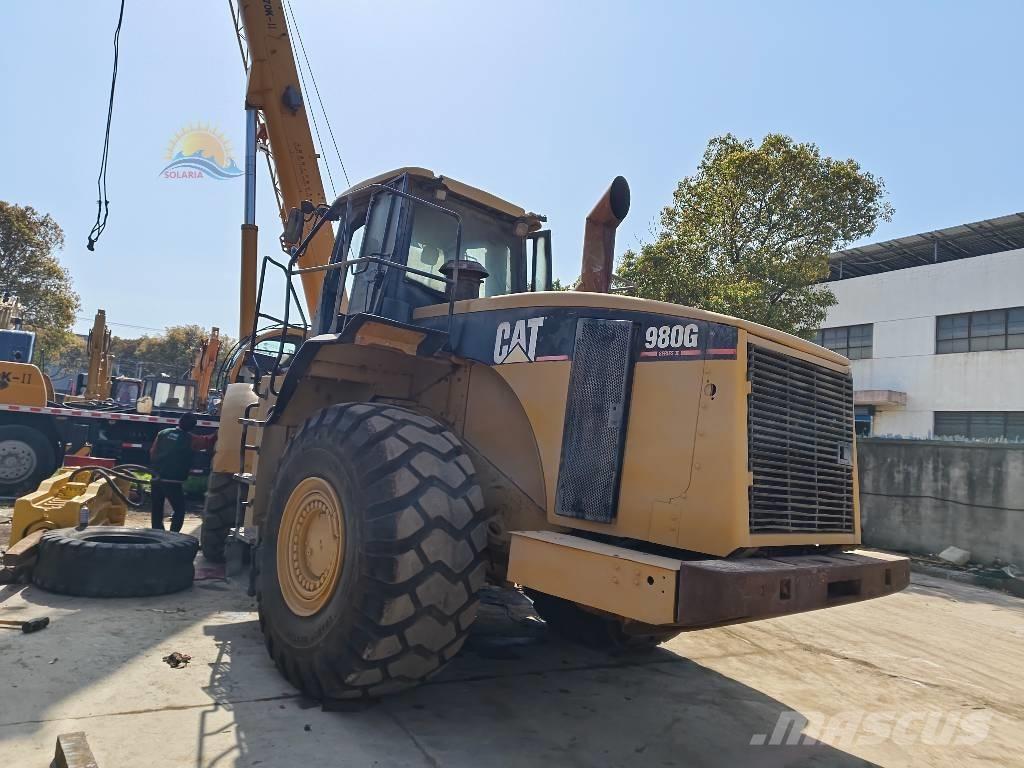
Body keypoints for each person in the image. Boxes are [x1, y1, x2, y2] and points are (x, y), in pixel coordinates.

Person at [149, 413, 215, 532]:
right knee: (179, 510)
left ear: (179, 422)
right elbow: (206, 441)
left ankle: (157, 532)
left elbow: (152, 453)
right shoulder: (191, 439)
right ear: (192, 427)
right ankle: (173, 535)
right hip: (173, 481)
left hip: (156, 477)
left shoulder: (163, 433)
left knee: (157, 508)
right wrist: (218, 434)